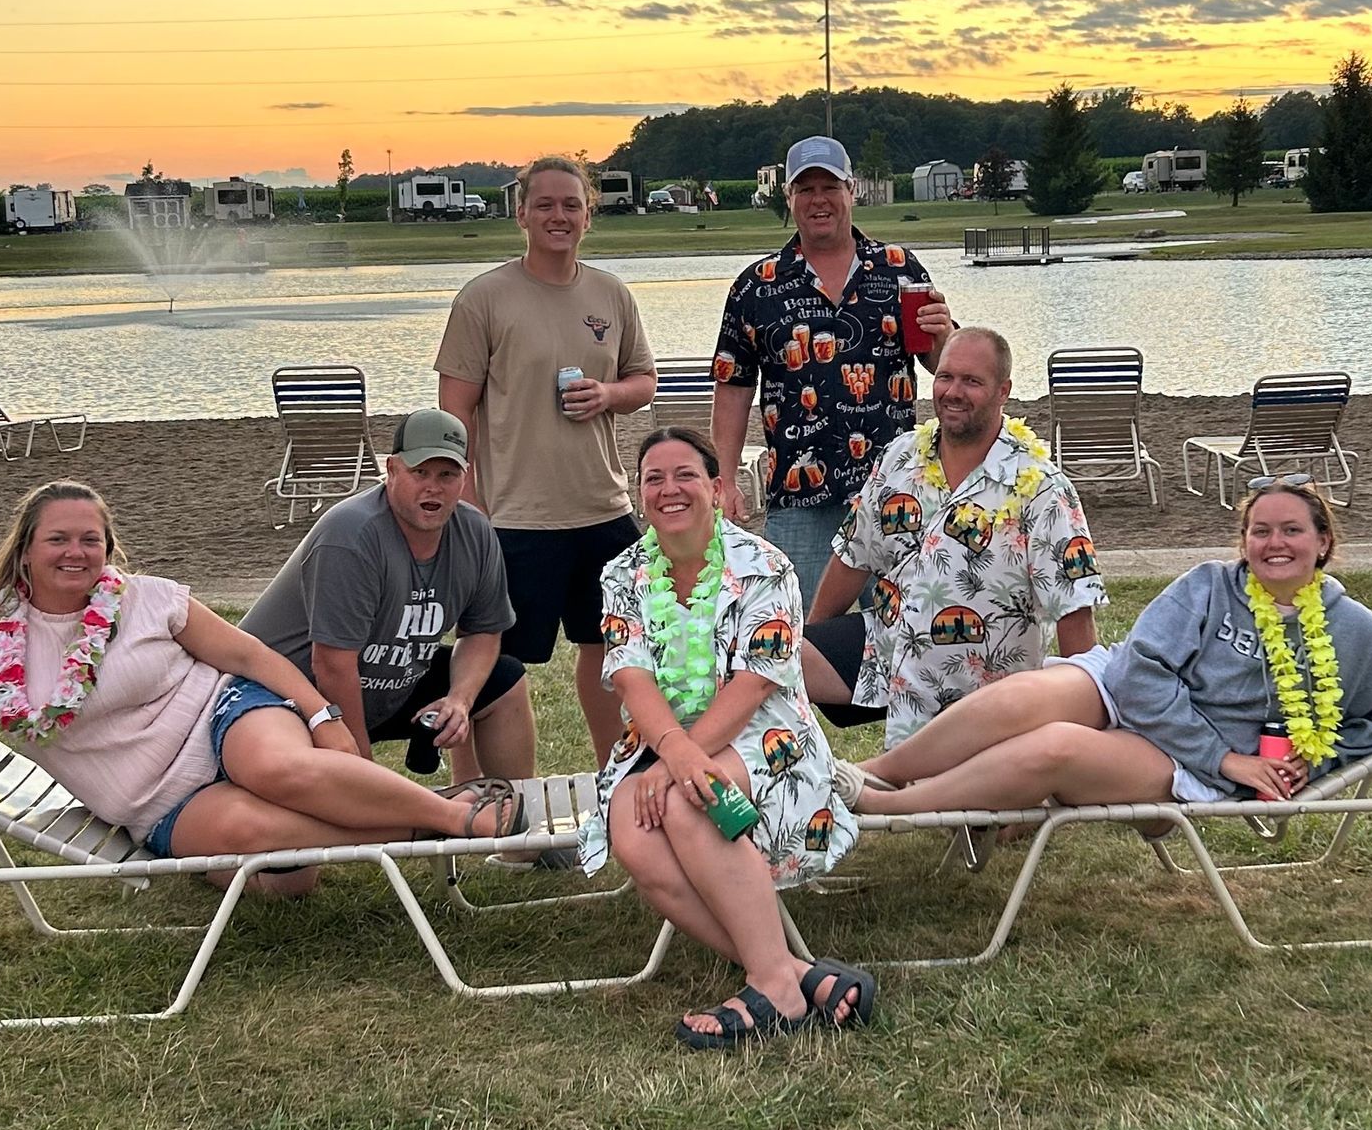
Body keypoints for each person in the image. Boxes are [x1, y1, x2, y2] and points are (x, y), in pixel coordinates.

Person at [0, 482, 524, 896]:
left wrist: (321, 715)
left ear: (107, 548)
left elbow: (247, 654)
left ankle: (452, 817)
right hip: (154, 798)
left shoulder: (147, 599)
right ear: (24, 552)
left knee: (279, 770)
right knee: (276, 867)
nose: (77, 553)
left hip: (222, 715)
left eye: (89, 540)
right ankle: (433, 821)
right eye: (59, 540)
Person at [834, 476, 1372, 819]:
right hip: (1124, 694)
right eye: (1260, 530)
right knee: (1021, 699)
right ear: (1244, 541)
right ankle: (874, 772)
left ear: (1322, 541)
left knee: (1054, 748)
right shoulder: (1209, 586)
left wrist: (1306, 757)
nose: (1274, 543)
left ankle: (890, 808)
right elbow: (1137, 671)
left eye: (1292, 530)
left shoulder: (1353, 630)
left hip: (1197, 761)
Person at [580, 427, 875, 1048]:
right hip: (661, 739)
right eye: (653, 478)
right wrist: (672, 751)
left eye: (684, 475)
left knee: (694, 800)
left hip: (767, 736)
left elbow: (752, 686)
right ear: (640, 495)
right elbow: (632, 678)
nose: (668, 489)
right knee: (631, 831)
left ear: (717, 488)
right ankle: (792, 974)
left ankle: (772, 986)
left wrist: (680, 762)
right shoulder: (623, 573)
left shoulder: (765, 568)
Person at [437, 156, 657, 761]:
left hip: (601, 509)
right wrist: (471, 502)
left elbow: (644, 382)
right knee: (493, 663)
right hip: (513, 517)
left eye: (571, 205)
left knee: (612, 649)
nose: (558, 216)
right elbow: (454, 417)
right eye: (545, 205)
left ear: (590, 214)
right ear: (521, 214)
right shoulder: (484, 298)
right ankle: (481, 800)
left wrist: (608, 393)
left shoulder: (610, 294)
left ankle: (617, 783)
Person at [803, 327, 1104, 748]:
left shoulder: (1043, 488)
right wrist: (813, 637)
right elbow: (855, 554)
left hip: (988, 679)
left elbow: (1073, 609)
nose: (953, 391)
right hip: (886, 647)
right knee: (771, 662)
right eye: (945, 377)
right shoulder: (900, 457)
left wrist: (1080, 722)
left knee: (961, 808)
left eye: (972, 381)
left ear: (1004, 391)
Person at [239, 409, 539, 786]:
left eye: (447, 474)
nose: (434, 487)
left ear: (465, 476)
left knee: (505, 681)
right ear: (392, 469)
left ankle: (516, 830)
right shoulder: (351, 535)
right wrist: (365, 773)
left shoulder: (474, 532)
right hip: (283, 696)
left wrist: (459, 700)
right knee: (354, 807)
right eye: (420, 472)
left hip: (386, 685)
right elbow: (331, 664)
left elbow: (482, 631)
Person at [710, 134, 952, 582]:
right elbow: (733, 387)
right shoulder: (756, 286)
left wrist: (945, 334)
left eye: (830, 187)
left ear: (851, 190)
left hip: (895, 493)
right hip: (801, 501)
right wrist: (723, 479)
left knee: (901, 637)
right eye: (805, 189)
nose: (818, 200)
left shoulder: (900, 268)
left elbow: (940, 366)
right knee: (804, 637)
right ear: (789, 197)